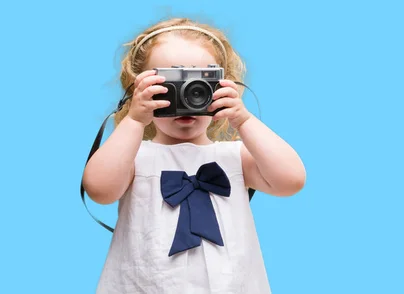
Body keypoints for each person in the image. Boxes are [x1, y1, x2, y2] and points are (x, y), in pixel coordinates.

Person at [82, 17, 306, 294]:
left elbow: (291, 181)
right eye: (170, 83)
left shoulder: (236, 156)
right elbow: (99, 190)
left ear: (224, 85)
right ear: (138, 87)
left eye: (200, 83)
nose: (188, 94)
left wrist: (244, 120)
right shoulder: (134, 156)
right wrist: (134, 120)